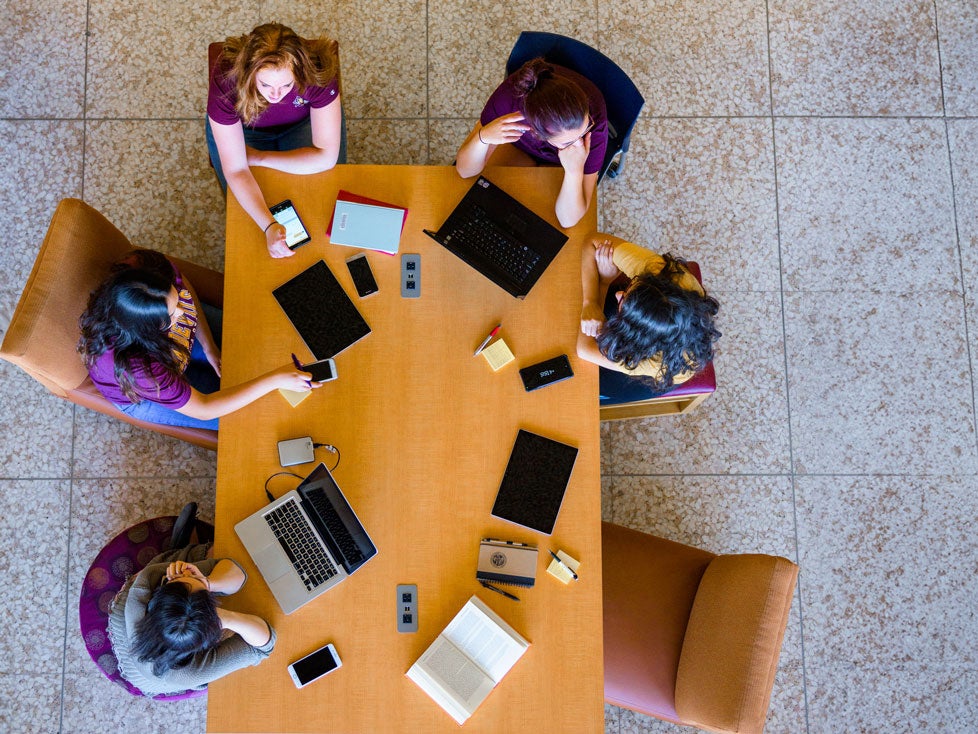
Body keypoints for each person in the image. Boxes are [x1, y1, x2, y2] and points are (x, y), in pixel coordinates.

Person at [78, 249, 320, 430]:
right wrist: (274, 379)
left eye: (175, 299)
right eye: (172, 315)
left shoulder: (150, 270)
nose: (183, 311)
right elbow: (204, 408)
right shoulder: (139, 369)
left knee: (255, 348)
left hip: (171, 351)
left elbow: (185, 292)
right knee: (244, 417)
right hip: (146, 392)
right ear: (148, 329)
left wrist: (209, 345)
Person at [207, 22, 345, 258]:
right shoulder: (227, 82)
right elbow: (237, 170)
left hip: (301, 124)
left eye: (287, 84)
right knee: (249, 214)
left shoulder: (318, 72)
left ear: (299, 73)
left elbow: (326, 157)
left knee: (319, 197)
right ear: (250, 73)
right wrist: (269, 226)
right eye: (265, 84)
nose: (275, 95)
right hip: (244, 129)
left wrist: (259, 157)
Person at [455, 58, 608, 228]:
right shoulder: (508, 101)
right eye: (569, 141)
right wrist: (482, 137)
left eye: (585, 128)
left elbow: (567, 220)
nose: (580, 144)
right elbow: (464, 171)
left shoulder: (594, 122)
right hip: (518, 147)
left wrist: (574, 171)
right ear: (536, 133)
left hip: (564, 163)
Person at [108, 543, 274, 695]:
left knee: (202, 555)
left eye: (185, 581)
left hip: (126, 614)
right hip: (147, 676)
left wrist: (207, 583)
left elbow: (236, 572)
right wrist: (225, 617)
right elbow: (263, 646)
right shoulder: (188, 674)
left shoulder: (146, 581)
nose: (187, 575)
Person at [577, 234, 721, 404]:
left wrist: (603, 284)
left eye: (623, 300)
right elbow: (591, 242)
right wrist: (590, 302)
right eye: (632, 287)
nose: (619, 294)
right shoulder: (662, 271)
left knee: (585, 385)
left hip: (648, 377)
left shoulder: (654, 361)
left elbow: (584, 349)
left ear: (637, 333)